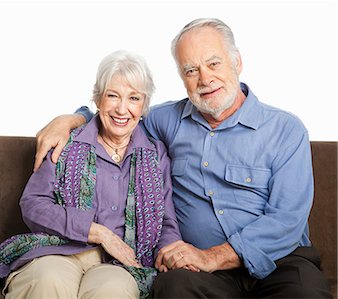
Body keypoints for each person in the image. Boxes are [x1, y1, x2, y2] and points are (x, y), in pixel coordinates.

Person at [33, 18, 333, 298]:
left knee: (305, 292)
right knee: (173, 287)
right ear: (181, 77)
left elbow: (286, 219)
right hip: (200, 270)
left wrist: (212, 257)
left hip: (278, 263)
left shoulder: (285, 130)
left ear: (237, 61)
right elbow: (119, 117)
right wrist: (73, 118)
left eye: (213, 63)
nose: (205, 78)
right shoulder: (166, 120)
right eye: (191, 70)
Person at [0, 50, 182, 299]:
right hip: (57, 250)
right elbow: (33, 205)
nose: (122, 109)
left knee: (112, 291)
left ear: (144, 105)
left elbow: (166, 222)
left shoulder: (155, 155)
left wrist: (172, 252)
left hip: (118, 263)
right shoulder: (65, 142)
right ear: (97, 99)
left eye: (133, 98)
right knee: (48, 280)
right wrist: (99, 233)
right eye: (112, 95)